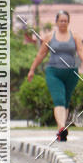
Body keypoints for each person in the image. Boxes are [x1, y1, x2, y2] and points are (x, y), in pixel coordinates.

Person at [27, 10, 83, 141]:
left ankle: (61, 130)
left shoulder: (75, 36)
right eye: (61, 20)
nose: (63, 23)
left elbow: (80, 52)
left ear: (68, 22)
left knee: (66, 101)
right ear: (56, 22)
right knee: (59, 100)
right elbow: (41, 54)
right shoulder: (49, 36)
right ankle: (62, 129)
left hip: (71, 72)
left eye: (65, 20)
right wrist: (32, 69)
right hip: (54, 72)